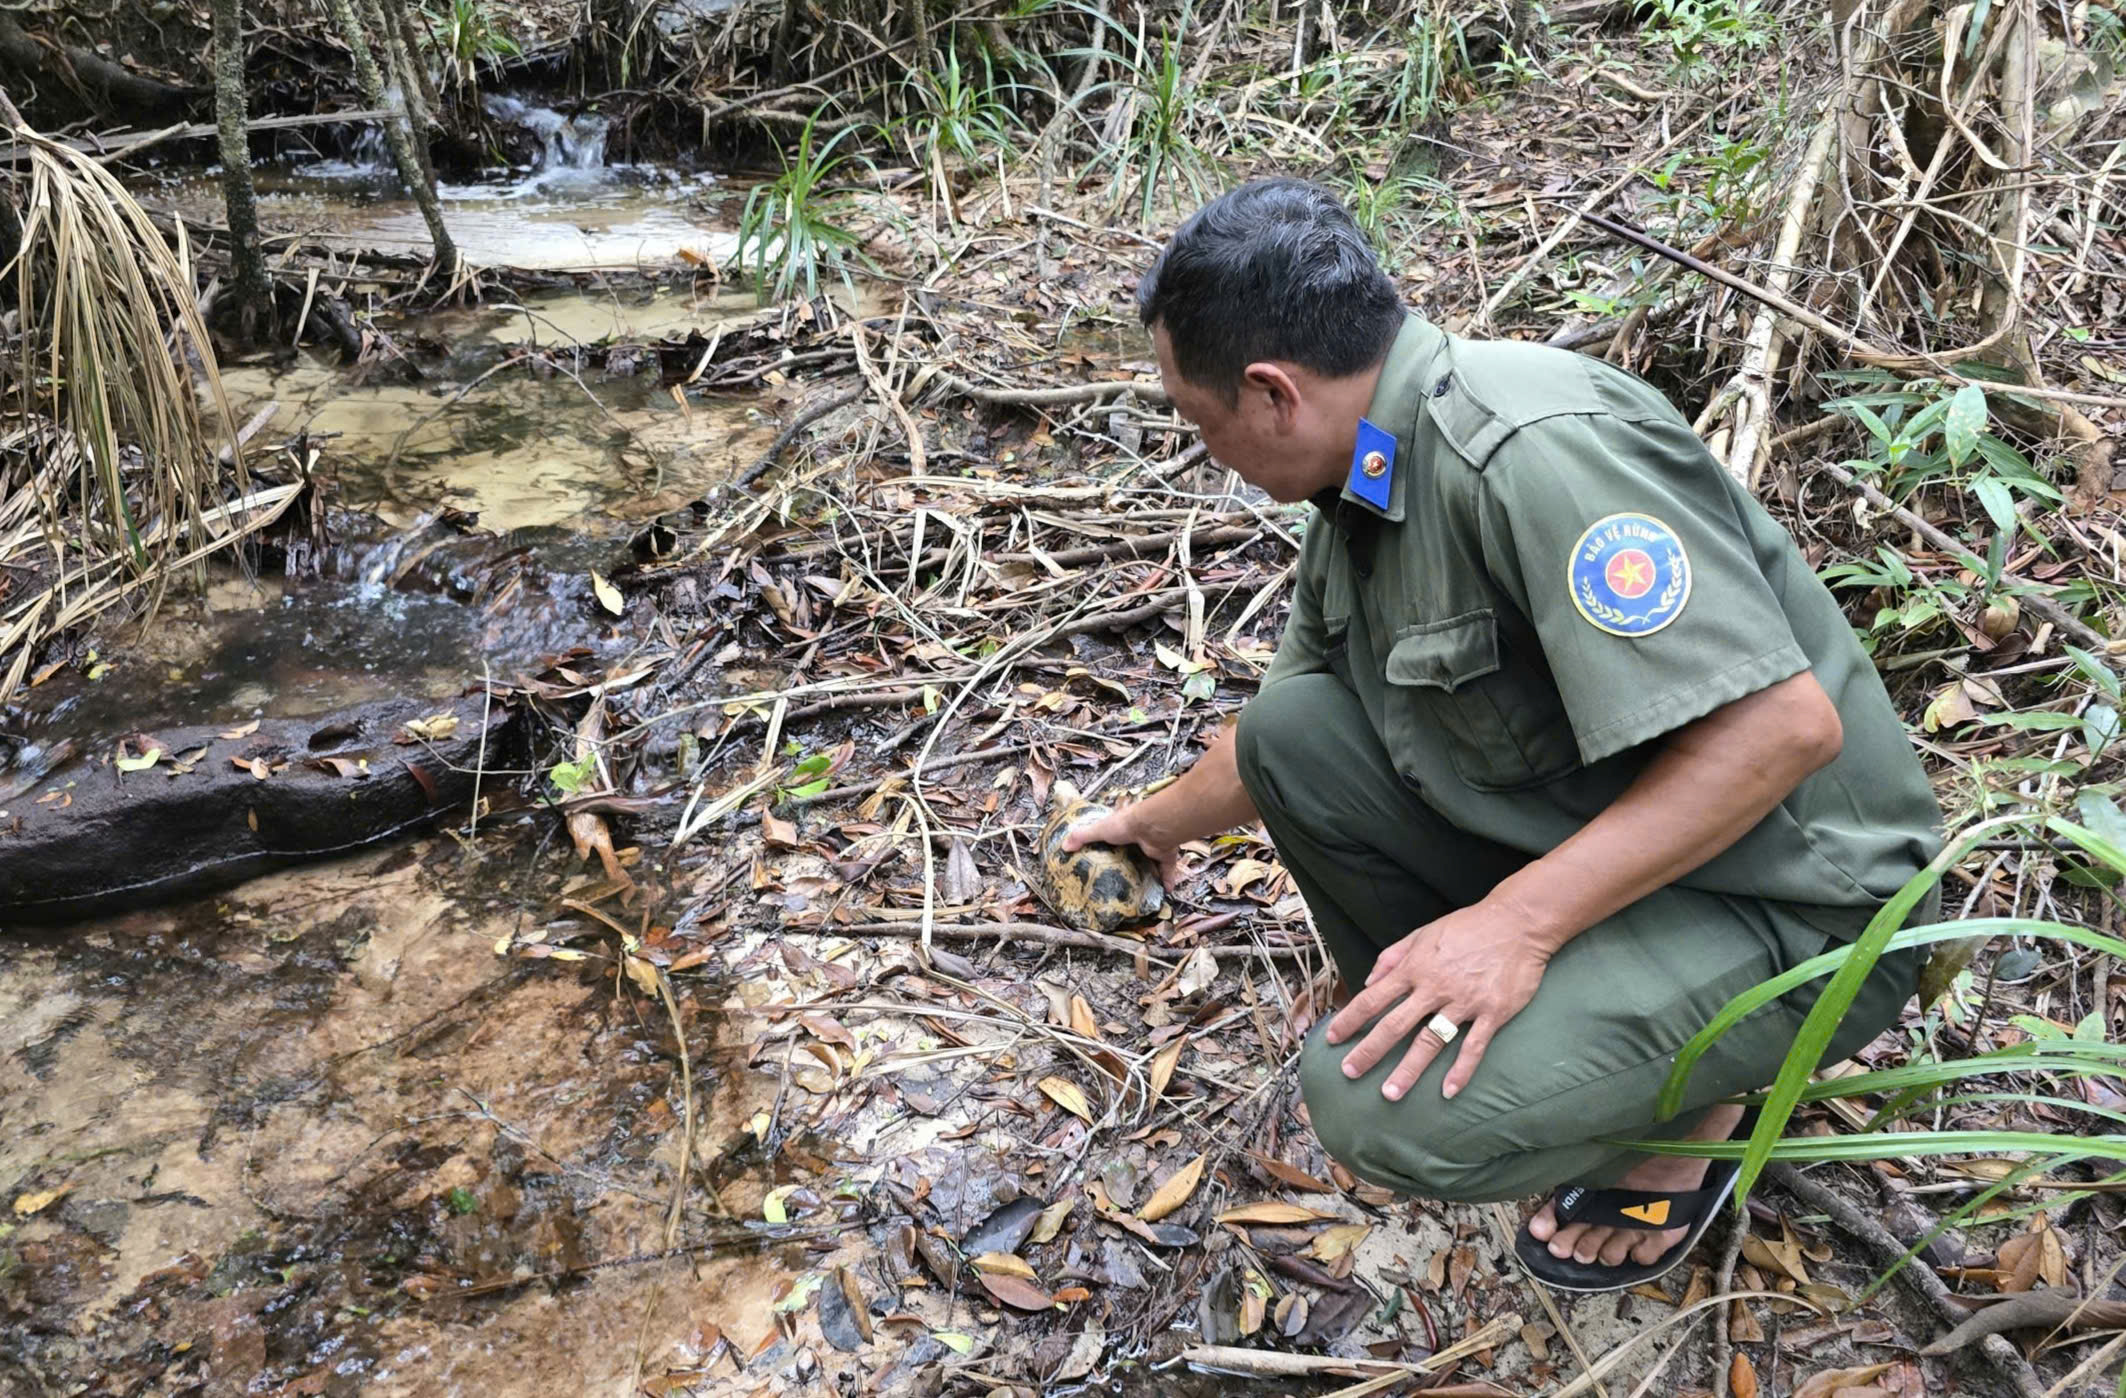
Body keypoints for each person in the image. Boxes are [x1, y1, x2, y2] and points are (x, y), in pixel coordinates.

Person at [1063, 177, 1942, 1292]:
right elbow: (1271, 734)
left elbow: (1779, 729)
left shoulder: (1526, 447)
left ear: (1270, 393)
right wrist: (1143, 825)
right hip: (1647, 853)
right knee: (1297, 732)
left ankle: (1682, 1111)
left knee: (1374, 1112)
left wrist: (1511, 931)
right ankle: (1589, 1045)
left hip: (1806, 907)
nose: (1210, 456)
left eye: (1201, 424)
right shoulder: (1366, 478)